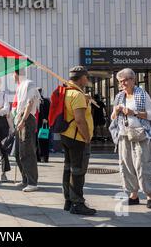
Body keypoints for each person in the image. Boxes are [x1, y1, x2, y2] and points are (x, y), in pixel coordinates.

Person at [111, 68, 151, 209]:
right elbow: (113, 117)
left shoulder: (142, 94)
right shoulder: (119, 97)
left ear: (133, 80)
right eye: (120, 81)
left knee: (144, 165)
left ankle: (150, 196)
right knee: (127, 166)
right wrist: (116, 111)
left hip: (141, 134)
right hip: (124, 134)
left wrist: (134, 112)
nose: (123, 83)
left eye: (125, 80)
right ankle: (134, 195)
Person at [60, 66, 96, 215]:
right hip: (78, 137)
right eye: (86, 77)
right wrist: (87, 138)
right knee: (78, 171)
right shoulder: (77, 95)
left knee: (68, 168)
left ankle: (68, 200)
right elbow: (80, 120)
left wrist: (84, 99)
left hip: (66, 135)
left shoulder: (66, 92)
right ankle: (78, 203)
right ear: (81, 78)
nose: (87, 80)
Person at [13, 69, 40, 192]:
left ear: (17, 74)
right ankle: (25, 179)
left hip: (27, 119)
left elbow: (30, 103)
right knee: (18, 153)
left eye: (13, 74)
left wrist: (23, 120)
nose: (12, 77)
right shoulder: (20, 87)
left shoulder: (29, 84)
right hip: (21, 120)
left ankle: (32, 182)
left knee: (27, 152)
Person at [37, 88, 51, 163]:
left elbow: (49, 112)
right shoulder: (38, 101)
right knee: (42, 140)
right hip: (41, 124)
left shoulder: (45, 101)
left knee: (42, 140)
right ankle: (42, 157)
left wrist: (46, 119)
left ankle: (43, 157)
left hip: (42, 124)